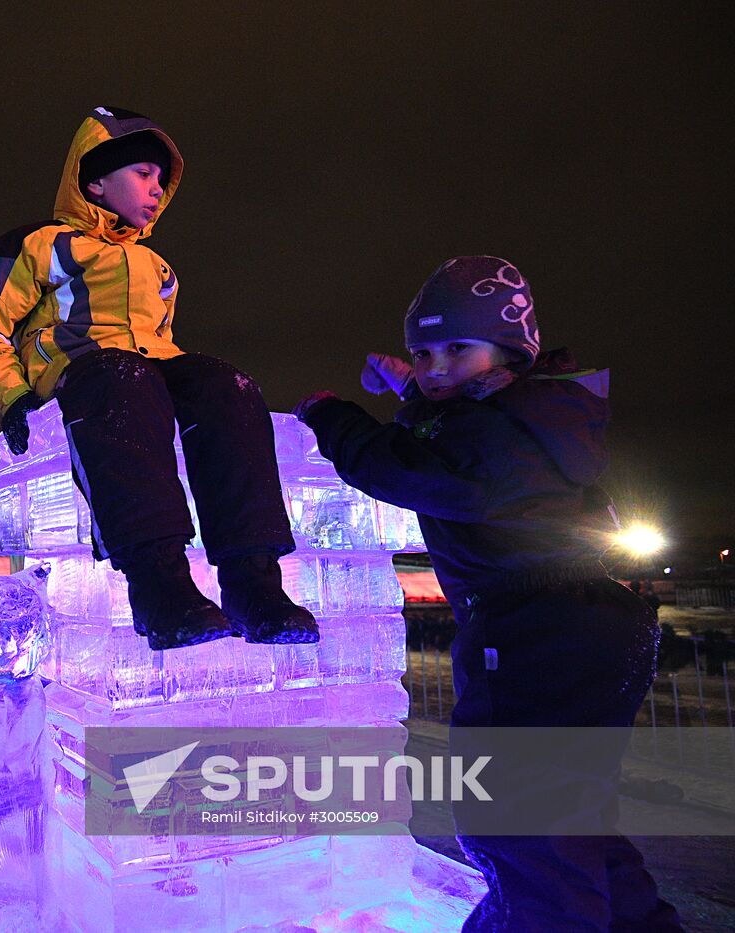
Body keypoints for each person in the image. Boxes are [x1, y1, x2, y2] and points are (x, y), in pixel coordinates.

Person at [295, 255, 681, 931]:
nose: (437, 365)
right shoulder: (537, 416)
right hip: (586, 623)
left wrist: (337, 418)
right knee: (568, 816)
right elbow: (452, 434)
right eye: (424, 350)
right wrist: (415, 388)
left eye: (457, 348)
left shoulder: (490, 437)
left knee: (514, 815)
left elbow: (404, 465)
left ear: (509, 351)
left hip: (534, 630)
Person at [0, 106, 315, 651]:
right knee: (122, 378)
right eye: (143, 174)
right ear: (95, 181)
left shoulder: (157, 266)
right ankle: (158, 584)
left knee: (226, 385)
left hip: (149, 366)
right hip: (83, 370)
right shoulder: (37, 244)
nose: (156, 189)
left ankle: (253, 583)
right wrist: (14, 396)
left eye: (162, 180)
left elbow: (161, 336)